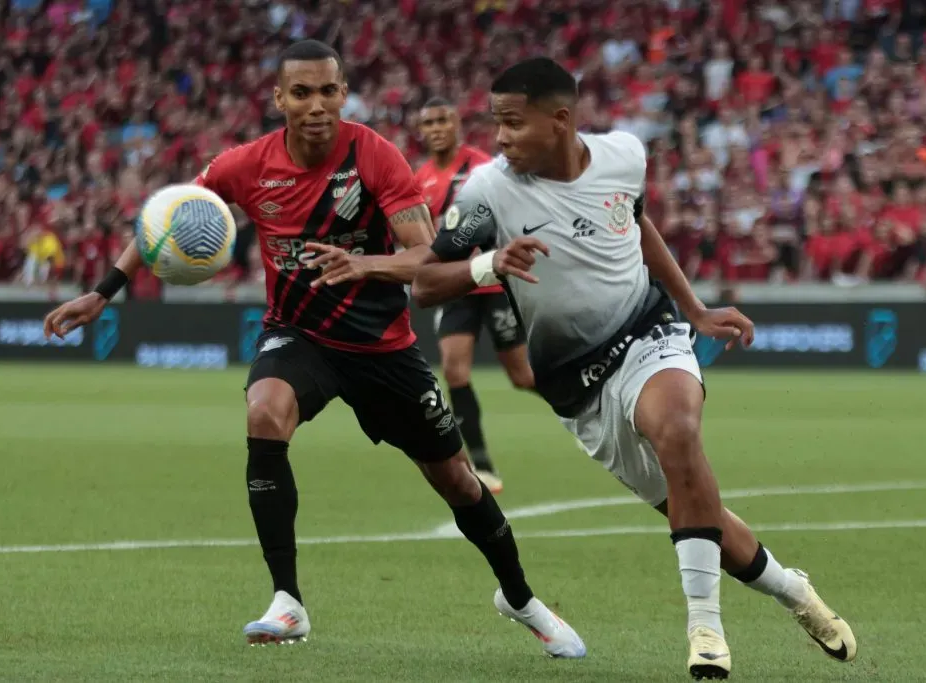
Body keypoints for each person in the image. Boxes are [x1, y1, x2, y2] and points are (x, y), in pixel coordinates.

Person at [42, 40, 585, 658]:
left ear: (343, 93)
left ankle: (519, 597)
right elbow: (168, 218)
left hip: (384, 348)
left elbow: (424, 258)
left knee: (457, 481)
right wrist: (101, 292)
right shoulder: (244, 166)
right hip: (301, 337)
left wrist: (363, 265)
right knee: (263, 412)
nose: (317, 104)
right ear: (279, 99)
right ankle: (287, 600)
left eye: (329, 90)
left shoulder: (375, 156)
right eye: (301, 92)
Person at [411, 57, 856, 681]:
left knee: (677, 427)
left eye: (512, 123)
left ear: (561, 120)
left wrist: (695, 309)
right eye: (496, 124)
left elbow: (636, 222)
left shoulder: (624, 155)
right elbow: (427, 282)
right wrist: (487, 267)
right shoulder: (487, 193)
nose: (499, 139)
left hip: (647, 332)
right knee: (697, 513)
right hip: (577, 389)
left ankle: (705, 627)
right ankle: (792, 590)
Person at [414, 97, 534, 494]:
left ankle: (587, 393)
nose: (435, 128)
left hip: (495, 281)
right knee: (453, 369)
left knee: (522, 376)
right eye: (428, 122)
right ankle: (482, 464)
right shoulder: (422, 178)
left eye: (442, 120)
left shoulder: (482, 167)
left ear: (457, 124)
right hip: (458, 284)